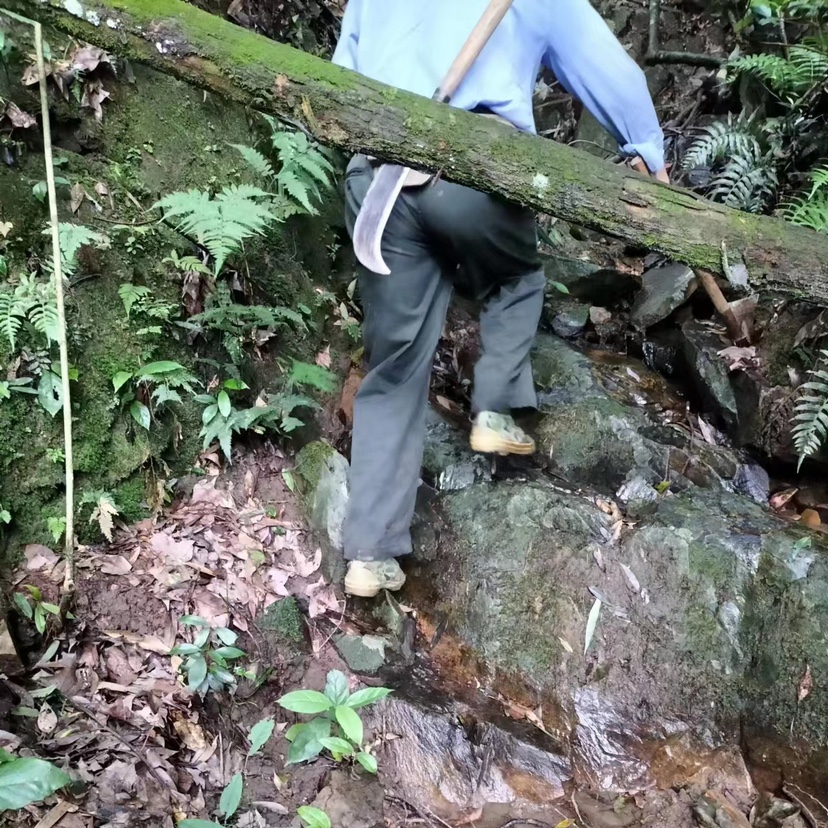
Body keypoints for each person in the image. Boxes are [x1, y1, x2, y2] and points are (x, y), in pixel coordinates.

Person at [331, 0, 668, 598]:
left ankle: (368, 554)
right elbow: (610, 71)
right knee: (516, 277)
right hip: (470, 163)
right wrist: (648, 149)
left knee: (394, 368)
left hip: (376, 178)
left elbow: (341, 78)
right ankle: (493, 410)